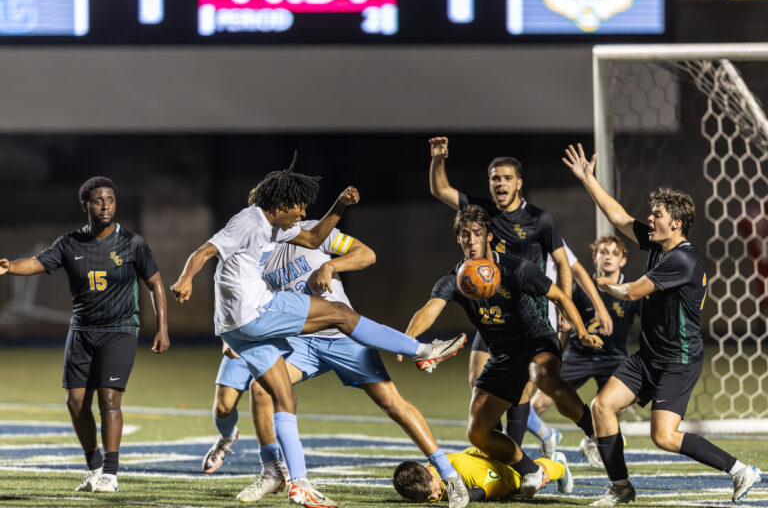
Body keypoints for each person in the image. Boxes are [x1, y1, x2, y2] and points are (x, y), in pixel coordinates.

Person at [170, 165, 466, 507]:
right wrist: (197, 290)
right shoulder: (259, 232)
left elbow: (363, 253)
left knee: (392, 403)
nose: (304, 214)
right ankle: (275, 473)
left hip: (340, 339)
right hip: (297, 337)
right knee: (263, 391)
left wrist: (331, 263)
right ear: (283, 204)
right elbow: (223, 269)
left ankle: (448, 476)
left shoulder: (302, 230)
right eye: (299, 206)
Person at [562, 143, 762, 506]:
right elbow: (619, 217)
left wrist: (603, 285)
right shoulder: (657, 244)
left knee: (664, 437)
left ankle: (739, 470)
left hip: (678, 361)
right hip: (649, 356)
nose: (649, 219)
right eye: (651, 215)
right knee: (602, 407)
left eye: (656, 215)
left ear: (677, 223)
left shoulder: (682, 260)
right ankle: (620, 489)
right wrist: (588, 179)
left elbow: (635, 291)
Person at [427, 136, 611, 460]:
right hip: (493, 313)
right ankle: (502, 451)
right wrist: (438, 159)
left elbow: (564, 264)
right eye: (495, 178)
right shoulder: (481, 212)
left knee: (538, 383)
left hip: (531, 313)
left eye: (507, 178)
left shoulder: (540, 219)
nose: (500, 183)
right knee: (478, 381)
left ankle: (588, 433)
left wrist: (565, 309)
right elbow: (440, 190)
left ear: (519, 183)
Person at [405, 204, 603, 499]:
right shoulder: (456, 279)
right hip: (503, 354)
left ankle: (596, 434)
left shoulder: (515, 268)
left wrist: (582, 332)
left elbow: (560, 295)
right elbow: (430, 309)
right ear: (458, 238)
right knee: (477, 431)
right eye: (464, 234)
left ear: (488, 237)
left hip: (536, 339)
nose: (470, 240)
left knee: (543, 376)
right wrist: (407, 340)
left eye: (477, 233)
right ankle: (531, 471)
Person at [0, 176, 170, 493]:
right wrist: (9, 266)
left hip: (119, 330)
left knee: (109, 399)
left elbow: (155, 283)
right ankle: (93, 466)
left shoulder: (133, 243)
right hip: (81, 330)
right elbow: (36, 263)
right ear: (86, 205)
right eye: (98, 200)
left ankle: (110, 473)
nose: (105, 205)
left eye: (110, 199)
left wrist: (162, 327)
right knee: (75, 402)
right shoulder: (69, 243)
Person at [531, 235, 640, 465]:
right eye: (603, 252)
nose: (608, 257)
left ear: (622, 260)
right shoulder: (582, 289)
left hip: (614, 356)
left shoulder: (630, 291)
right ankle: (537, 437)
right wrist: (557, 351)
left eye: (613, 253)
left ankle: (592, 441)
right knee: (538, 403)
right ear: (594, 257)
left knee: (616, 401)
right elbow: (565, 322)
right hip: (579, 355)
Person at [393, 447, 573, 502]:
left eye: (434, 490)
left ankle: (559, 465)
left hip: (496, 470)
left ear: (431, 475)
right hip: (473, 460)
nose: (434, 496)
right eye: (427, 497)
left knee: (522, 483)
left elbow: (500, 484)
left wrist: (473, 495)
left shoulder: (463, 471)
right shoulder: (415, 486)